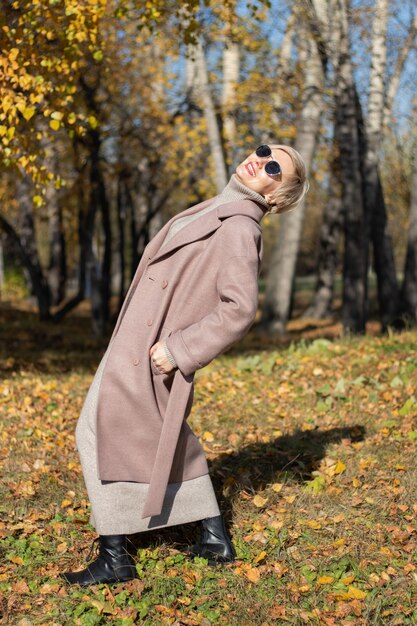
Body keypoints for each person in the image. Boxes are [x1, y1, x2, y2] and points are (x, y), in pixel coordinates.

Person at [61, 144, 309, 586]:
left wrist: (180, 349)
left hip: (154, 348)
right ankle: (213, 536)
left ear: (275, 196)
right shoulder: (220, 208)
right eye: (264, 150)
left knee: (98, 431)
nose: (261, 160)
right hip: (140, 339)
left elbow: (239, 309)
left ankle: (115, 556)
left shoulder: (238, 227)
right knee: (154, 433)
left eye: (274, 167)